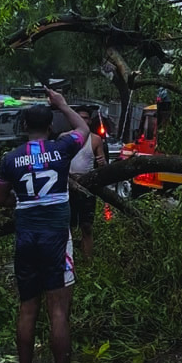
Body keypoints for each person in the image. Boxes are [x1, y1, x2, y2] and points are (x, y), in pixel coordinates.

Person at [0, 89, 89, 363]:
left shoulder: (11, 158)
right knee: (59, 310)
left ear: (24, 126)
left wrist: (20, 200)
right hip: (56, 239)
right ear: (50, 126)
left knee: (27, 307)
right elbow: (84, 130)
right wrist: (63, 103)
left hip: (26, 239)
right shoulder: (61, 148)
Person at [68, 108, 106, 259]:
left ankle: (87, 261)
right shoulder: (65, 138)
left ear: (90, 121)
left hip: (87, 186)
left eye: (85, 118)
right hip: (68, 184)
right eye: (79, 117)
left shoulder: (96, 139)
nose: (82, 121)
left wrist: (102, 162)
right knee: (68, 226)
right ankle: (69, 260)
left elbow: (102, 165)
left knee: (87, 226)